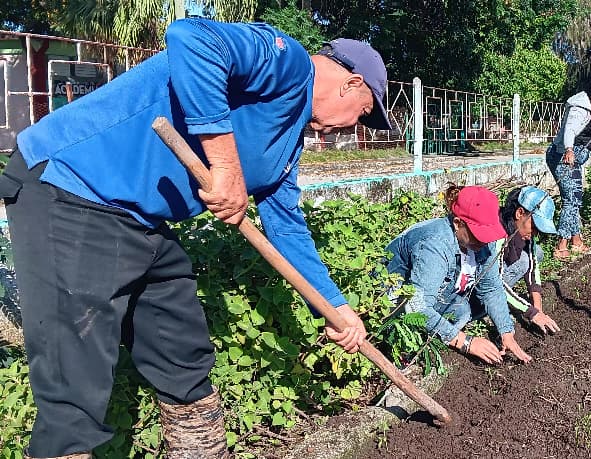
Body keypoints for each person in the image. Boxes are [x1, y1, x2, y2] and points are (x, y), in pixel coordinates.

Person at [0, 18, 388, 458]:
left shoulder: (287, 145)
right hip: (70, 188)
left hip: (136, 219)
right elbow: (193, 38)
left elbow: (287, 229)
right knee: (75, 379)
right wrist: (225, 165)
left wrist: (335, 307)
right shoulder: (289, 63)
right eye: (363, 113)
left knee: (181, 348)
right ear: (351, 83)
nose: (355, 126)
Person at [385, 185, 532, 366]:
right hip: (395, 300)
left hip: (436, 293)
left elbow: (491, 287)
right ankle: (406, 355)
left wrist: (506, 331)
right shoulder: (435, 245)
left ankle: (433, 337)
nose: (484, 241)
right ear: (457, 223)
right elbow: (416, 306)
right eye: (479, 235)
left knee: (462, 312)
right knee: (410, 327)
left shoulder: (483, 243)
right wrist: (466, 343)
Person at [546, 76, 591, 260]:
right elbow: (569, 130)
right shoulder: (579, 107)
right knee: (572, 199)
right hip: (564, 156)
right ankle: (561, 245)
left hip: (576, 158)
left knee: (575, 197)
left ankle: (576, 242)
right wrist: (569, 149)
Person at [482, 186, 561, 334]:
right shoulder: (497, 234)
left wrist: (537, 308)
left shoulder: (521, 229)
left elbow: (532, 265)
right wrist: (530, 312)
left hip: (496, 272)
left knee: (534, 254)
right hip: (480, 281)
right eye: (535, 226)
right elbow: (494, 282)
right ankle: (486, 307)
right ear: (520, 213)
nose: (535, 233)